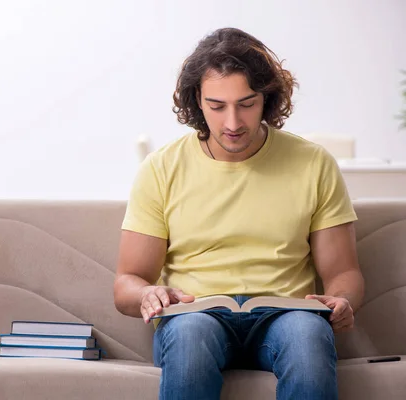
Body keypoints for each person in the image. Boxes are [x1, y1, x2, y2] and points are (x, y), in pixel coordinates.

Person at [113, 27, 365, 400]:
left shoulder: (313, 164)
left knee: (308, 336)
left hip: (285, 314)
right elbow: (127, 282)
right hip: (195, 315)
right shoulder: (161, 168)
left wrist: (341, 299)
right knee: (189, 337)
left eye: (246, 104)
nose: (232, 123)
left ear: (267, 99)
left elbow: (344, 273)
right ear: (197, 101)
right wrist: (148, 293)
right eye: (217, 106)